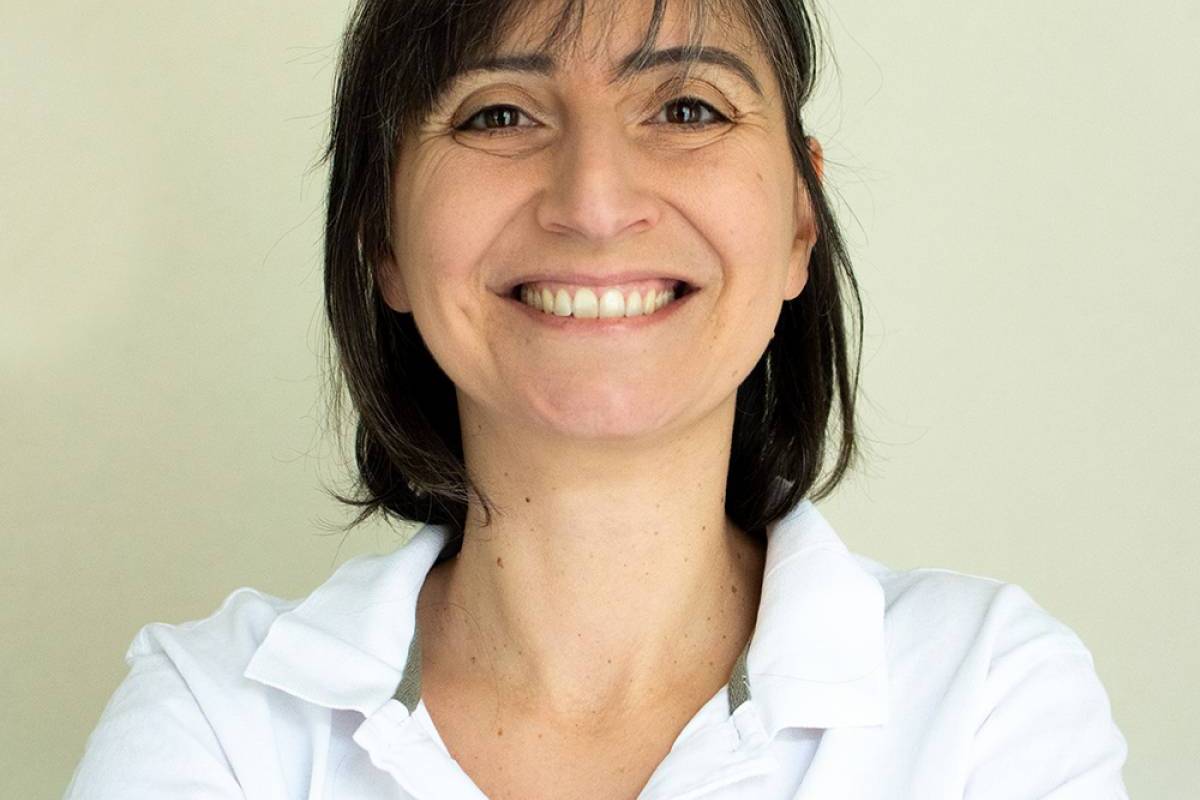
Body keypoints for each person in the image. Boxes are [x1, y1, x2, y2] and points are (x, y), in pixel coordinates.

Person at [64, 0, 1131, 797]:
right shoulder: (217, 716)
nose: (594, 200)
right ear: (383, 235)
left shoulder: (987, 696)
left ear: (800, 220)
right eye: (498, 114)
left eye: (686, 107)